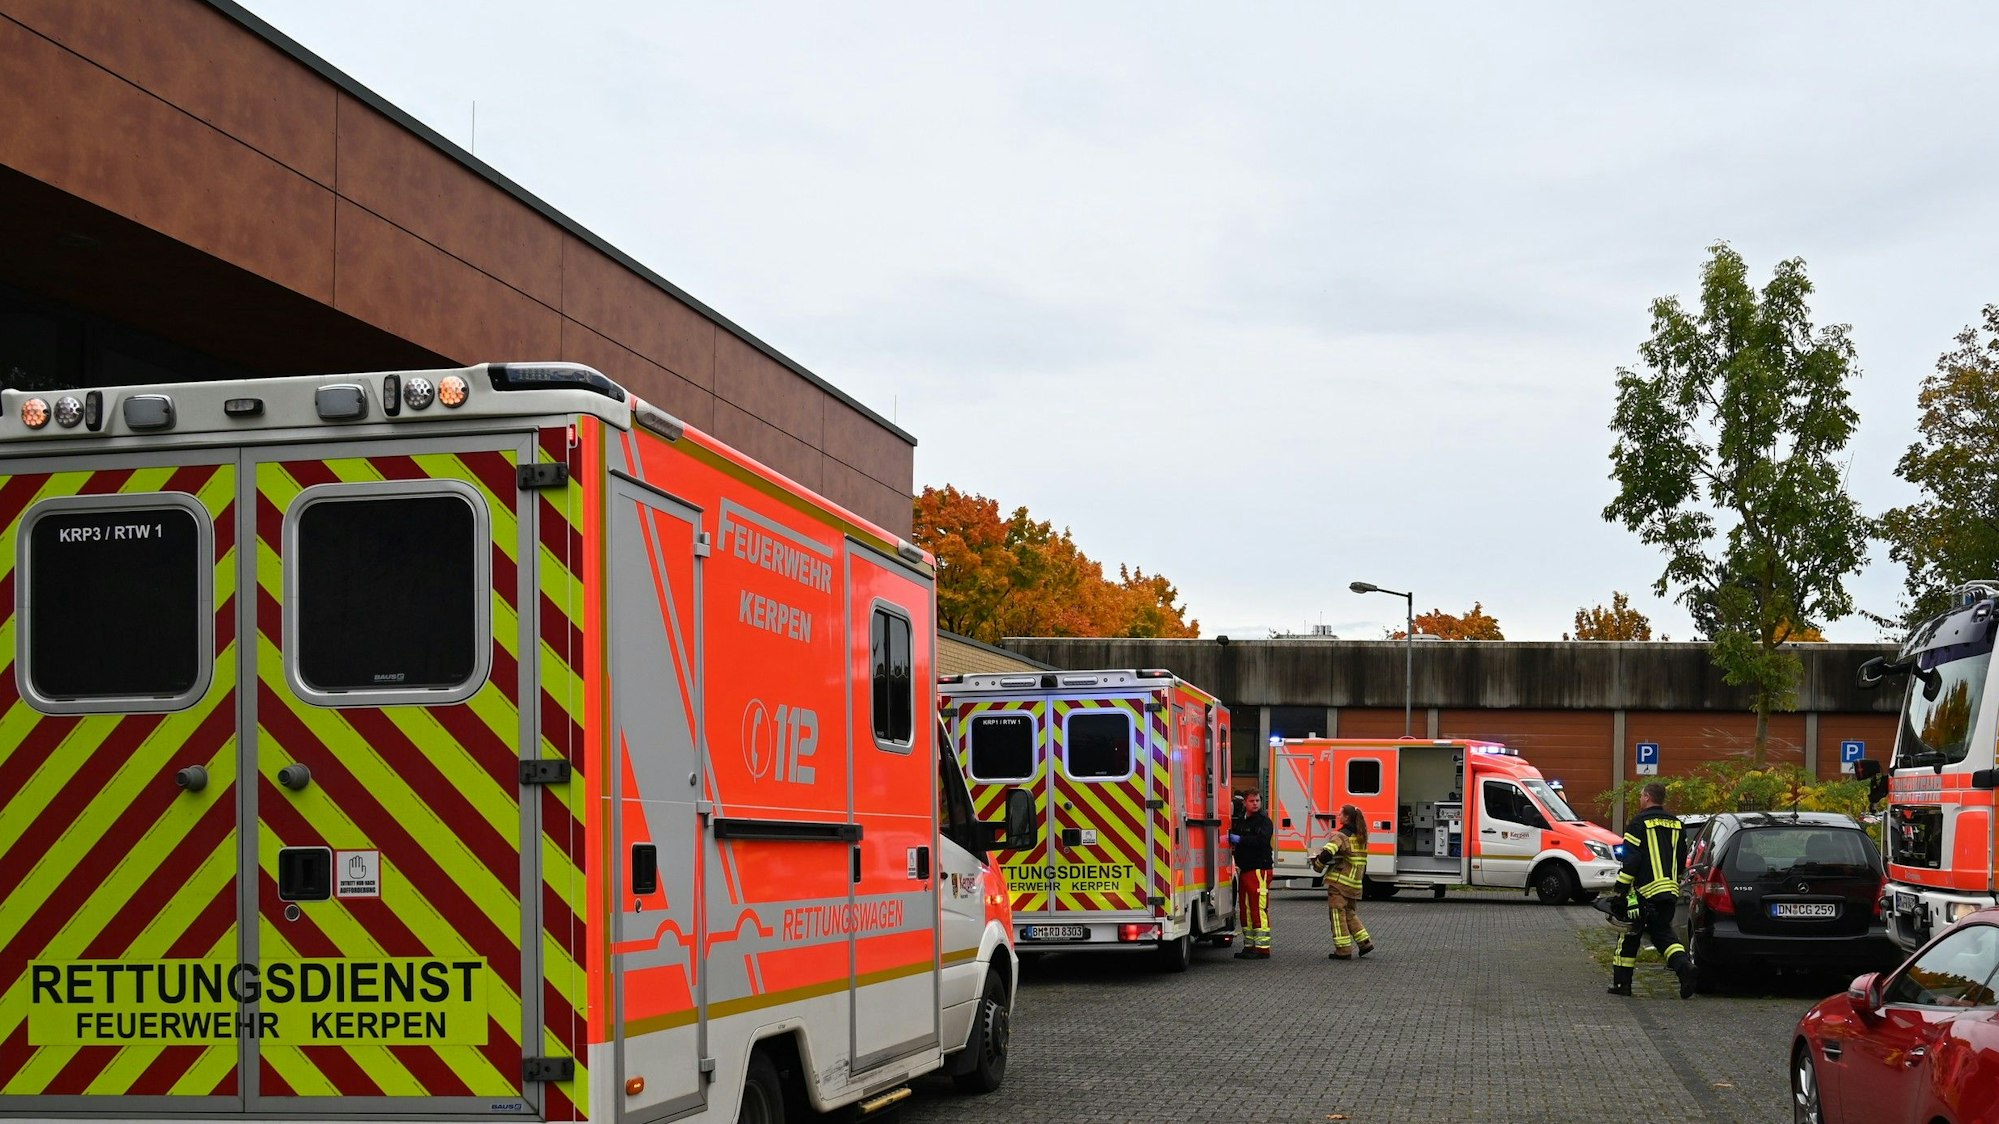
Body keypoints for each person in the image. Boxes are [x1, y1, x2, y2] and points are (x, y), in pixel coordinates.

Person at [1608, 781, 1693, 998]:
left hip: (1644, 892)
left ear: (1647, 796)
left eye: (1640, 796)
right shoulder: (1676, 824)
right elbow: (1682, 857)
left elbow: (1632, 860)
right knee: (1663, 934)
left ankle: (1622, 985)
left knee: (1629, 934)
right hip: (1669, 891)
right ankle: (1685, 969)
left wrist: (1621, 890)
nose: (1639, 800)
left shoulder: (1638, 823)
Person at [1311, 803, 1374, 960]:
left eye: (1340, 814)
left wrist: (1317, 865)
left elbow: (1327, 853)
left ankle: (1343, 950)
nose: (1338, 816)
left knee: (1337, 915)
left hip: (1340, 883)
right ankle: (1364, 942)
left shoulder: (1340, 836)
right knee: (1350, 913)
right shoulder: (1361, 836)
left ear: (1346, 818)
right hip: (1355, 883)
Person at [1228, 790, 1273, 959]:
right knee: (1245, 909)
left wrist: (1240, 840)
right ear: (1245, 803)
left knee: (1258, 908)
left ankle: (1262, 949)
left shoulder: (1264, 822)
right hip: (1245, 870)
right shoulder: (1241, 821)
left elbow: (1261, 840)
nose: (1255, 803)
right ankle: (1249, 945)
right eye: (1252, 801)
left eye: (1258, 800)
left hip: (1259, 869)